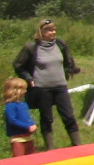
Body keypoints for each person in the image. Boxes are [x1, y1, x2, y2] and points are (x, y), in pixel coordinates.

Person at [12, 19, 82, 149]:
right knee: (47, 118)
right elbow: (18, 65)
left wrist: (70, 70)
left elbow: (69, 62)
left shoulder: (60, 44)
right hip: (42, 88)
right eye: (49, 30)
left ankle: (77, 145)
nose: (53, 32)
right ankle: (49, 148)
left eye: (54, 29)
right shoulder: (31, 47)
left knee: (68, 115)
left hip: (60, 85)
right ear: (41, 32)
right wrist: (28, 78)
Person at [2, 77, 38, 157]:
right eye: (23, 89)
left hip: (28, 137)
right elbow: (12, 121)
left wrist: (33, 124)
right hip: (17, 139)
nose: (25, 91)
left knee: (32, 158)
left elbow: (27, 117)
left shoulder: (23, 104)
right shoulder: (10, 106)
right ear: (15, 91)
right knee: (19, 158)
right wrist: (27, 127)